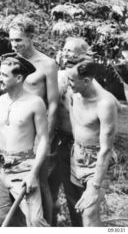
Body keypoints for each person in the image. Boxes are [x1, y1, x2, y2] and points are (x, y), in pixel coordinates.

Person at [0, 54, 50, 227]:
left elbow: (43, 141)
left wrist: (33, 174)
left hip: (23, 169)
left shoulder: (35, 103)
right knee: (4, 220)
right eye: (0, 73)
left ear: (19, 78)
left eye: (4, 75)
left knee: (35, 221)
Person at [8, 14, 59, 223]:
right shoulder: (10, 62)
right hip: (17, 132)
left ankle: (47, 223)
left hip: (38, 132)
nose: (14, 44)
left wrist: (44, 138)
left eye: (18, 40)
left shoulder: (47, 64)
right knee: (17, 180)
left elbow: (54, 103)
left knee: (40, 181)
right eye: (11, 40)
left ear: (30, 37)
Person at [66, 61, 118, 226]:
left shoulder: (105, 104)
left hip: (97, 161)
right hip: (77, 155)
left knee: (88, 211)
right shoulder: (74, 93)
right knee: (83, 209)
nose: (68, 83)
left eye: (72, 80)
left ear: (87, 81)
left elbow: (106, 149)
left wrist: (95, 186)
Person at [50, 37, 91, 226]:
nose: (67, 54)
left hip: (81, 146)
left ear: (84, 54)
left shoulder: (89, 80)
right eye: (65, 49)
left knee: (76, 195)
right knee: (48, 191)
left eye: (72, 51)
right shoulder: (58, 76)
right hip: (58, 141)